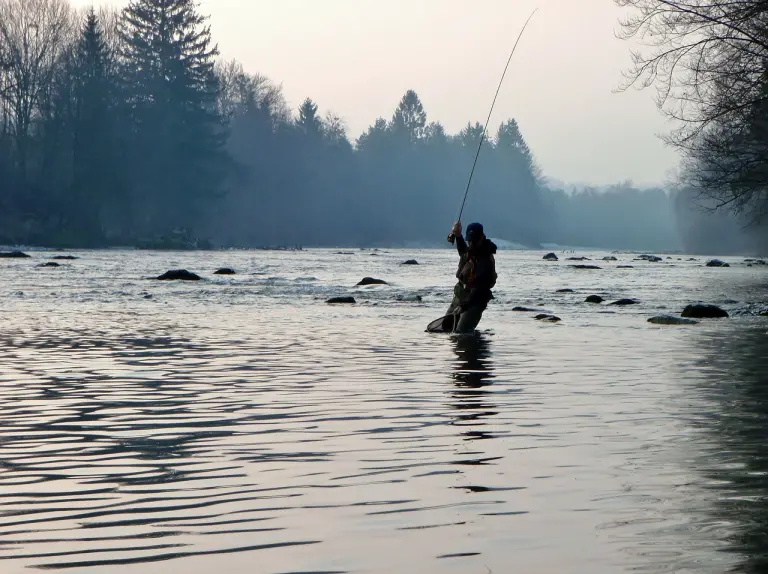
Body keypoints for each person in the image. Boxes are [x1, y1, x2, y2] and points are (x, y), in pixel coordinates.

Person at [444, 220, 498, 333]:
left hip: (475, 301)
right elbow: (463, 252)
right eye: (469, 241)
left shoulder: (485, 260)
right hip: (461, 296)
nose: (471, 244)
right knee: (446, 326)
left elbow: (478, 289)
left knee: (461, 332)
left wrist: (463, 307)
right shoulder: (470, 251)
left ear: (481, 238)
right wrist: (458, 236)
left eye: (474, 241)